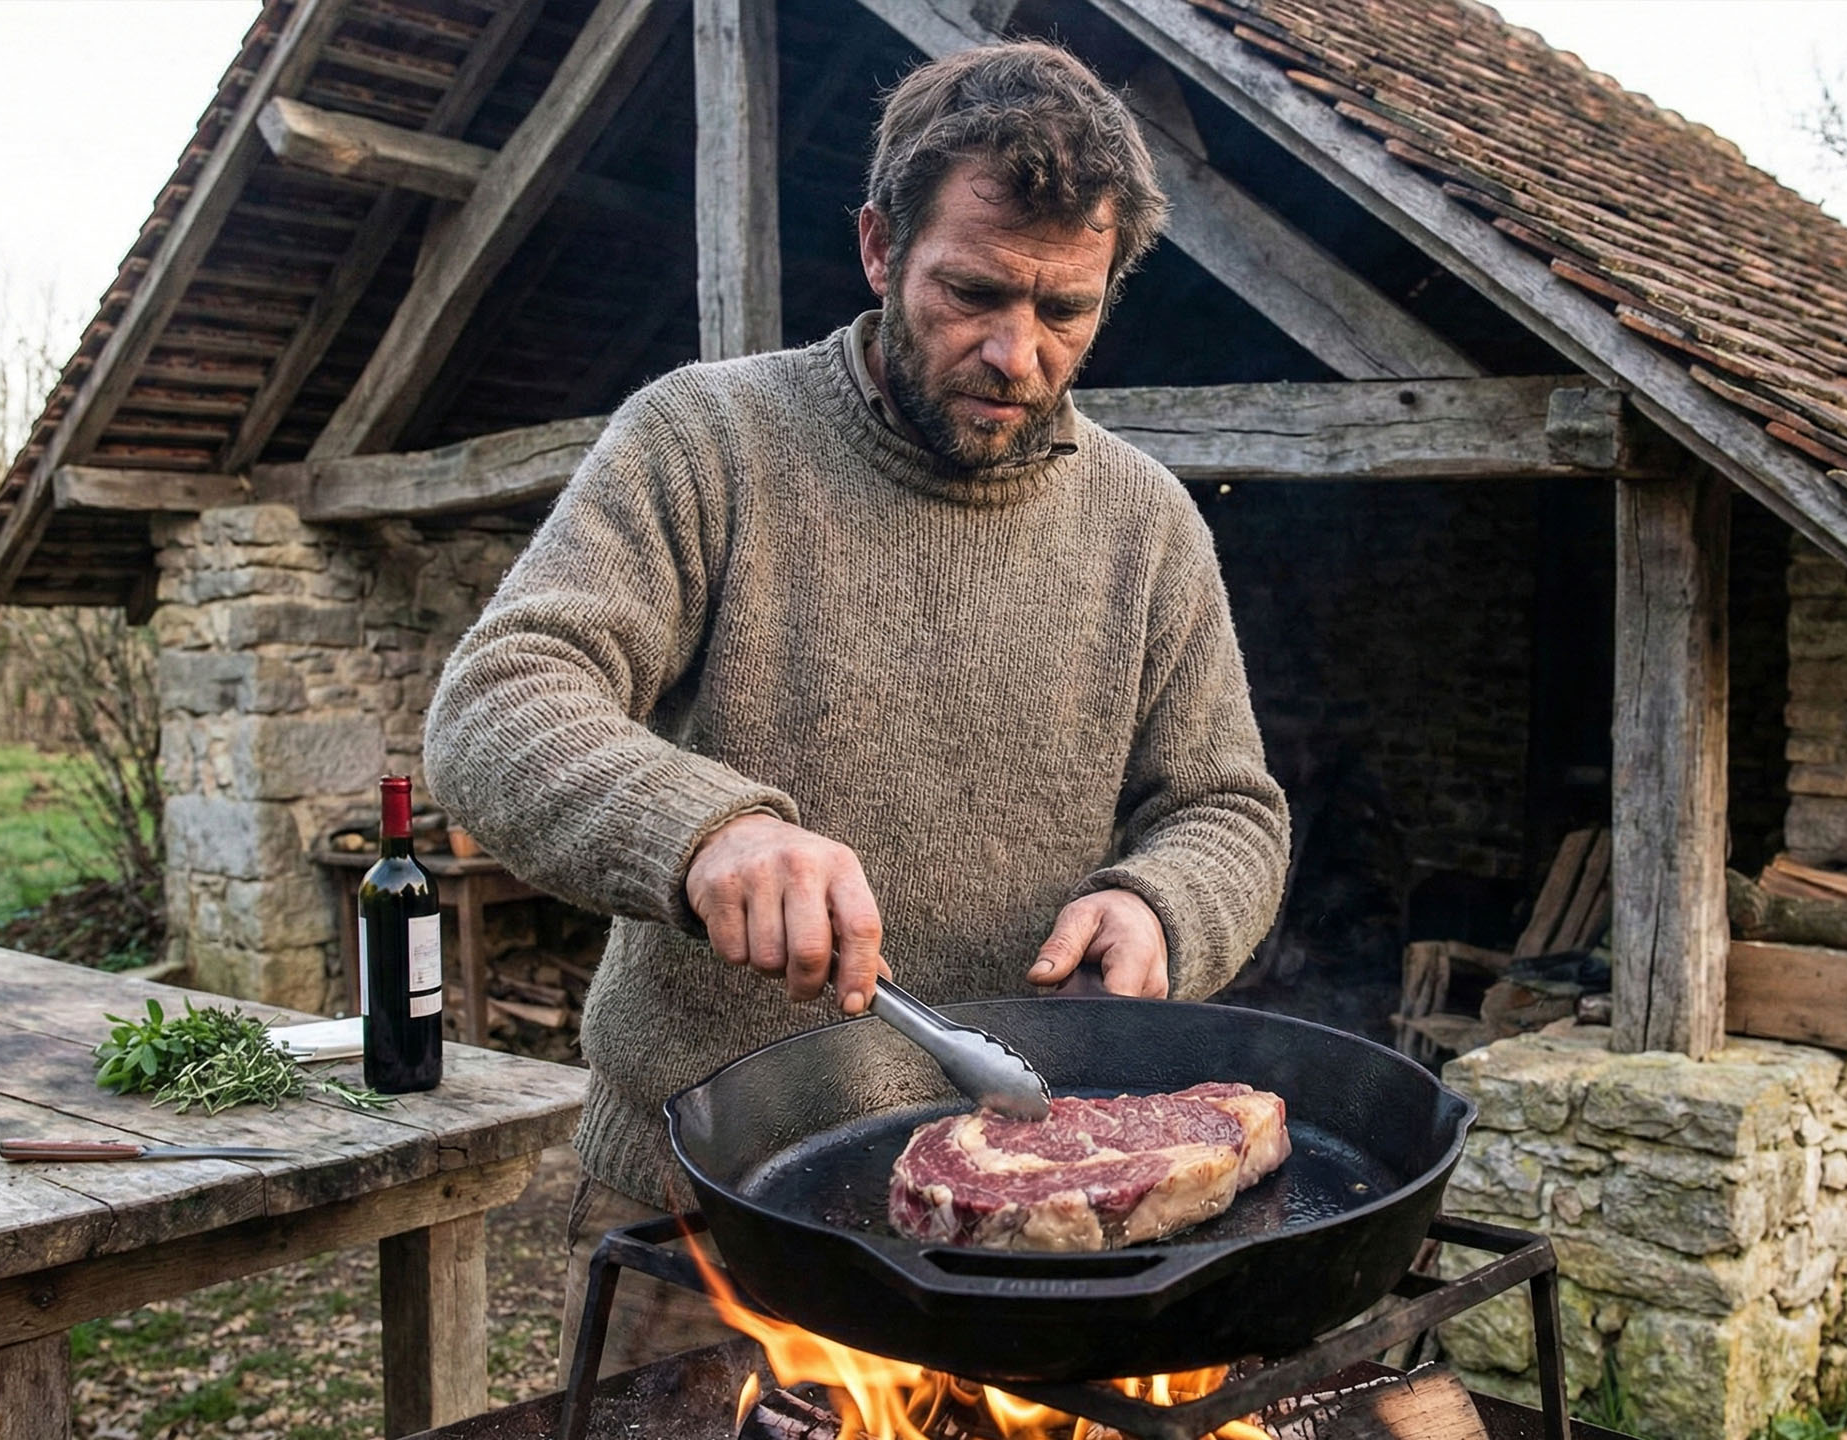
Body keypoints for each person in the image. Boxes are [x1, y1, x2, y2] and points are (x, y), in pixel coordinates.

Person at [423, 40, 1291, 1376]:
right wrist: (705, 832)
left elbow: (1227, 806)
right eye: (975, 292)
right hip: (712, 1207)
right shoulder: (707, 442)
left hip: (1029, 1223)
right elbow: (498, 702)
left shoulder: (1147, 526)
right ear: (883, 249)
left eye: (1067, 309)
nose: (1018, 353)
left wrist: (1164, 902)